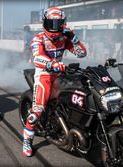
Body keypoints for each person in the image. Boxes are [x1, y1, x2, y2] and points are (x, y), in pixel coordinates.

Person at [22, 7, 87, 157]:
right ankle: (27, 140)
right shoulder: (38, 38)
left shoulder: (65, 37)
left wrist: (74, 38)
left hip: (59, 75)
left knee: (74, 99)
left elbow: (82, 53)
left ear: (63, 24)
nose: (53, 27)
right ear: (44, 22)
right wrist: (52, 64)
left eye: (57, 24)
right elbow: (37, 57)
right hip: (43, 75)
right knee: (37, 111)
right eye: (51, 23)